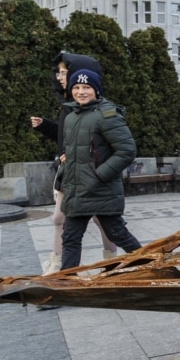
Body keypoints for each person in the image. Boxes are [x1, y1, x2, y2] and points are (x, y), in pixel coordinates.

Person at [30, 52, 118, 274]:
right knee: (60, 219)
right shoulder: (69, 107)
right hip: (68, 173)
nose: (60, 77)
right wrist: (45, 126)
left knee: (106, 223)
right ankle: (58, 266)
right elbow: (66, 139)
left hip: (89, 174)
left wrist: (80, 157)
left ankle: (112, 263)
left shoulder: (97, 109)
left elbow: (109, 144)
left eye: (64, 72)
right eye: (58, 72)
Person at [59, 68, 142, 270]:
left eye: (87, 87)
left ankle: (154, 267)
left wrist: (97, 175)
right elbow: (79, 151)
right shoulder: (71, 116)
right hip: (77, 190)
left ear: (96, 90)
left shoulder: (107, 114)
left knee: (117, 233)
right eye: (76, 87)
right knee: (70, 237)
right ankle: (65, 282)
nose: (81, 92)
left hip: (100, 189)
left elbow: (126, 151)